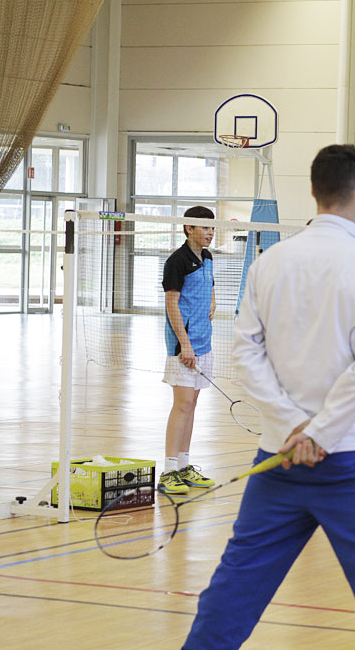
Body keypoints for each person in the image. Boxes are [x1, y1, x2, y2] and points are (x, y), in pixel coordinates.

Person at [185, 145, 355, 649]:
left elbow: (245, 354)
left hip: (281, 458)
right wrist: (317, 432)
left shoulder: (269, 263)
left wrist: (293, 427)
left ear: (313, 191)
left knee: (231, 594)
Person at [160, 205, 217, 495]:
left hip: (203, 344)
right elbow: (172, 305)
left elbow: (210, 285)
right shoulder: (177, 261)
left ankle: (184, 465)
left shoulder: (206, 257)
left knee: (192, 406)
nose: (209, 233)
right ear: (188, 229)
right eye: (204, 227)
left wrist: (212, 301)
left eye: (212, 228)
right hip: (184, 346)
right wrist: (185, 344)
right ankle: (169, 470)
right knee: (181, 405)